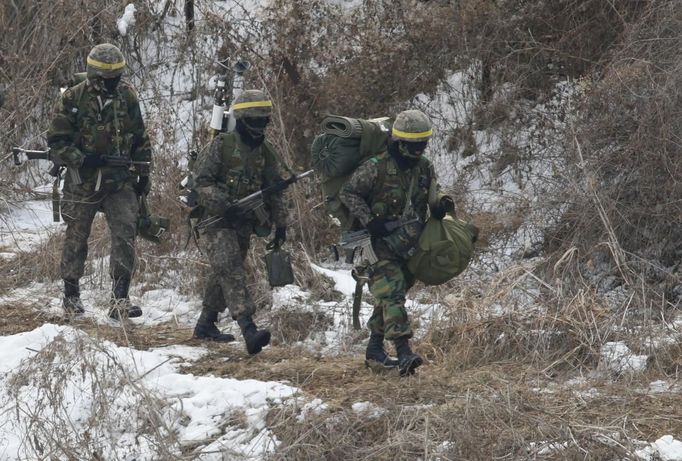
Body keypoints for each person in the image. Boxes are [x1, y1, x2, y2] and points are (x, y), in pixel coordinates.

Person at [339, 109, 455, 376]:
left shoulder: (424, 167)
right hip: (376, 245)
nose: (419, 150)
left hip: (410, 245)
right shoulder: (376, 167)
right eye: (414, 145)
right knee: (391, 295)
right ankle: (404, 352)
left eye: (423, 144)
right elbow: (349, 193)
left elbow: (434, 194)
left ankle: (374, 351)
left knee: (391, 296)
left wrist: (441, 207)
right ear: (400, 142)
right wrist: (369, 220)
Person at [46, 43, 152, 319]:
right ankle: (71, 295)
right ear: (95, 77)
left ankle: (120, 299)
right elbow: (56, 143)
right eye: (108, 78)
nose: (114, 82)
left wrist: (143, 174)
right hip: (83, 180)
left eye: (117, 76)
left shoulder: (126, 97)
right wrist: (82, 158)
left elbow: (140, 138)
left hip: (119, 181)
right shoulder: (73, 99)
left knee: (126, 232)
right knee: (77, 236)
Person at [191, 89, 287, 355]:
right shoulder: (221, 146)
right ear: (243, 121)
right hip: (215, 220)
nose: (259, 128)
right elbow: (201, 182)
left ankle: (205, 324)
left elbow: (275, 188)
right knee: (231, 269)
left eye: (263, 122)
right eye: (254, 122)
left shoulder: (266, 152)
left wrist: (281, 224)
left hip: (243, 223)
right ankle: (248, 328)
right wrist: (223, 204)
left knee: (222, 272)